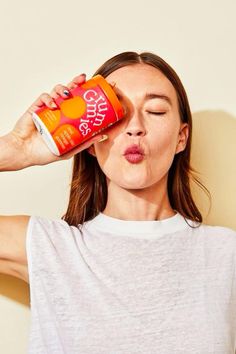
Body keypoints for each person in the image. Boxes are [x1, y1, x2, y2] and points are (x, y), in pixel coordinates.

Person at [0, 51, 236, 354]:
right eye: (117, 112)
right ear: (90, 138)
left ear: (182, 137)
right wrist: (16, 149)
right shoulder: (48, 247)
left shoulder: (225, 253)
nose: (135, 126)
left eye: (156, 111)